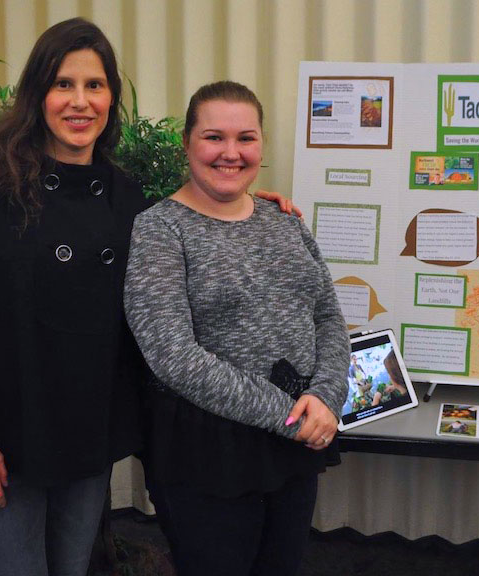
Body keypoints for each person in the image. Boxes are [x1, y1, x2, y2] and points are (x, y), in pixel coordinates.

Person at [0, 19, 296, 576]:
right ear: (37, 94)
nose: (80, 101)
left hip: (83, 441)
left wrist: (245, 206)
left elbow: (187, 225)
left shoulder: (123, 198)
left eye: (95, 86)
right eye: (63, 84)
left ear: (111, 99)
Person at [124, 81, 350, 576]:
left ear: (262, 145)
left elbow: (329, 316)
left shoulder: (284, 221)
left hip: (295, 440)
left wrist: (328, 396)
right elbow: (172, 355)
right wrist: (291, 415)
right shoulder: (160, 229)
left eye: (245, 138)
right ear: (187, 143)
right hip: (209, 452)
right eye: (214, 137)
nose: (231, 153)